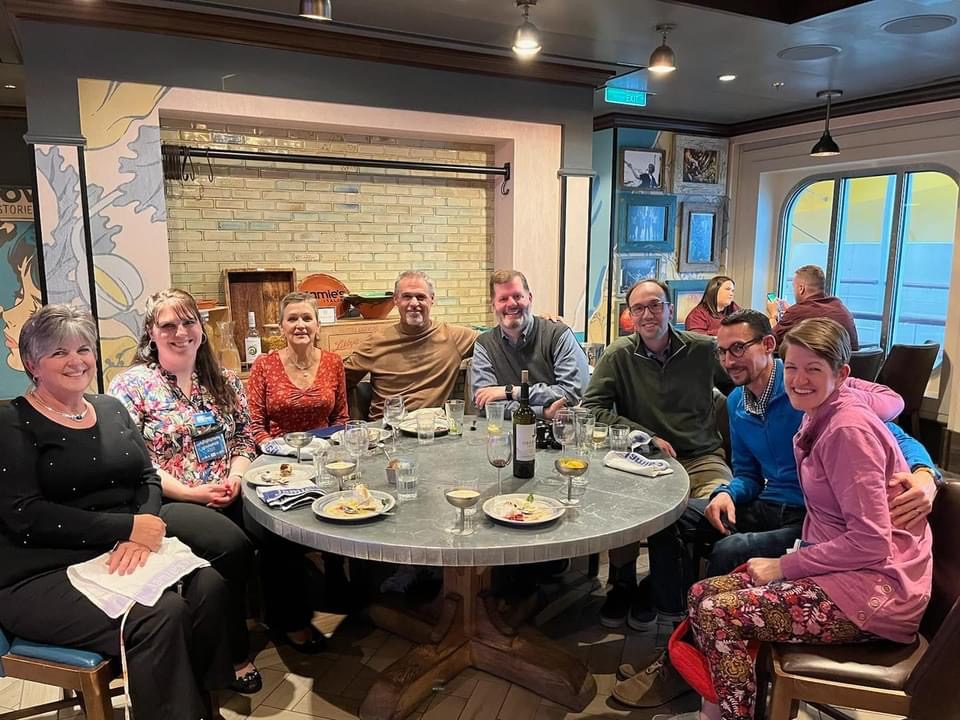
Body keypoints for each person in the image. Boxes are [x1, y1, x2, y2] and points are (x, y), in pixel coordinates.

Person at [613, 309, 941, 709]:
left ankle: (706, 664)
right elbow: (748, 473)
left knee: (729, 553)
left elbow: (895, 441)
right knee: (676, 521)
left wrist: (926, 475)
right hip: (782, 510)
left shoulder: (834, 412)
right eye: (721, 352)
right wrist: (728, 492)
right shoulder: (746, 402)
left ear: (768, 346)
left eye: (738, 348)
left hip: (831, 542)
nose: (729, 360)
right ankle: (677, 643)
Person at [0, 305, 233, 720]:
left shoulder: (110, 408)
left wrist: (143, 529)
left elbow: (147, 478)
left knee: (207, 587)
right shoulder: (11, 422)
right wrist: (127, 528)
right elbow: (25, 515)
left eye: (83, 349)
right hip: (42, 570)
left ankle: (202, 709)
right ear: (32, 363)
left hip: (118, 553)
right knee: (160, 615)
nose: (76, 361)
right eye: (59, 352)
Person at [109, 289, 323, 696]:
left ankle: (287, 619)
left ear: (201, 329)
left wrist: (237, 477)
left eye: (188, 322)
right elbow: (136, 461)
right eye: (168, 325)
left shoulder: (222, 379)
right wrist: (192, 493)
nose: (180, 332)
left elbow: (243, 436)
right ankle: (235, 654)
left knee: (282, 527)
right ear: (151, 332)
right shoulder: (131, 386)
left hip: (230, 486)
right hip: (169, 499)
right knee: (232, 546)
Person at [581, 278, 732, 629]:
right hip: (644, 458)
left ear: (669, 309)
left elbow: (741, 383)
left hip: (701, 457)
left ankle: (667, 588)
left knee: (717, 509)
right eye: (639, 308)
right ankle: (623, 584)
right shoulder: (619, 355)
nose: (648, 314)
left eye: (655, 305)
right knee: (621, 505)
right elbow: (591, 409)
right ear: (630, 315)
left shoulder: (702, 350)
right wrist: (646, 435)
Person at [344, 270, 478, 419]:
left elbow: (493, 343)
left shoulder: (454, 337)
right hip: (386, 427)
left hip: (429, 427)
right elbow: (338, 380)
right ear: (396, 300)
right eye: (407, 297)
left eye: (421, 297)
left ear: (432, 299)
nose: (414, 303)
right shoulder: (376, 342)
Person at [471, 269, 589, 419]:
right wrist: (543, 412)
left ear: (530, 298)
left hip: (558, 430)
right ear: (493, 305)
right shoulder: (485, 345)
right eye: (503, 299)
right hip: (506, 431)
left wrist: (511, 392)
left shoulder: (558, 335)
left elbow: (570, 393)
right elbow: (484, 404)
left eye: (517, 296)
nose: (511, 304)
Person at [248, 291, 349, 443]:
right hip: (278, 451)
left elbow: (341, 419)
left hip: (324, 448)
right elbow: (255, 425)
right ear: (281, 327)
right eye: (292, 319)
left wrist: (328, 447)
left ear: (318, 326)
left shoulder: (333, 362)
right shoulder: (263, 365)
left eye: (307, 318)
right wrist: (277, 450)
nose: (300, 325)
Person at [766, 264, 859, 349]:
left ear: (801, 289)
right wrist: (790, 311)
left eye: (794, 287)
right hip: (847, 361)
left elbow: (770, 343)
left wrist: (773, 315)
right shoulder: (841, 308)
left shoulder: (798, 312)